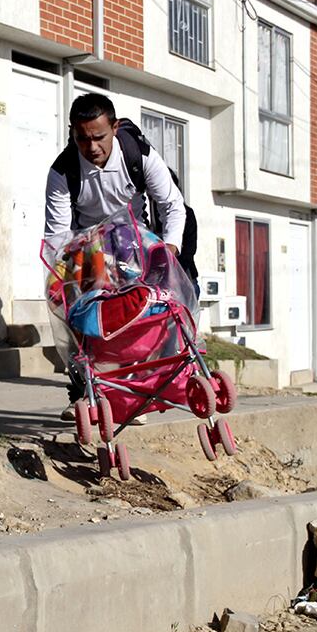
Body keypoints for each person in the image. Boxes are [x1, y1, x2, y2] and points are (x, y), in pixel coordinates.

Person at [45, 93, 189, 421]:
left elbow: (172, 206)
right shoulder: (63, 172)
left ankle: (132, 392)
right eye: (82, 138)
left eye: (99, 137)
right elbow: (57, 234)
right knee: (80, 319)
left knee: (137, 314)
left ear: (115, 127)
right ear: (72, 133)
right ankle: (84, 392)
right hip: (86, 244)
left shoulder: (139, 155)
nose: (91, 146)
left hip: (133, 239)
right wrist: (62, 275)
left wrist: (168, 250)